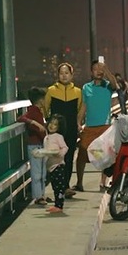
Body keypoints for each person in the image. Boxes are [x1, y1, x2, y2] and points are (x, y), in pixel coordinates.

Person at [75, 59, 118, 193]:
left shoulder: (107, 86)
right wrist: (78, 122)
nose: (98, 72)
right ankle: (79, 183)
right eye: (96, 69)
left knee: (106, 155)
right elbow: (84, 106)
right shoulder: (86, 87)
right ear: (91, 72)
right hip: (89, 127)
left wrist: (106, 70)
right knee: (82, 154)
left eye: (101, 69)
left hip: (104, 126)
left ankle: (103, 183)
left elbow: (115, 85)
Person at [44, 62, 82, 199]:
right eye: (61, 73)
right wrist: (49, 124)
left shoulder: (78, 92)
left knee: (69, 156)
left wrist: (78, 124)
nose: (64, 76)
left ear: (72, 75)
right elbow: (45, 108)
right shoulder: (51, 90)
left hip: (71, 129)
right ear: (58, 75)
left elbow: (80, 109)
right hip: (56, 131)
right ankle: (58, 186)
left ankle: (65, 186)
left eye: (67, 73)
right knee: (56, 158)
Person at [16, 87, 48, 206]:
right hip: (35, 146)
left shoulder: (39, 111)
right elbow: (21, 118)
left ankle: (41, 195)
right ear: (40, 100)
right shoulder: (34, 110)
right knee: (37, 173)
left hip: (41, 144)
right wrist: (34, 123)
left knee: (42, 172)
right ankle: (38, 197)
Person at [33, 114, 69, 214]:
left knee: (59, 187)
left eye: (55, 125)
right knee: (55, 187)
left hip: (58, 165)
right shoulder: (46, 138)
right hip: (51, 167)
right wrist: (40, 154)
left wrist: (60, 154)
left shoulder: (58, 137)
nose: (52, 126)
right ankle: (57, 204)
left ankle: (59, 205)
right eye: (51, 123)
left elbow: (65, 148)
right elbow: (47, 152)